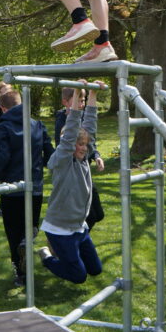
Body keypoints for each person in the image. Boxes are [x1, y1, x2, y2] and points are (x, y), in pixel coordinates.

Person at [0, 89, 54, 286]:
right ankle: (27, 243)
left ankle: (21, 273)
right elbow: (49, 153)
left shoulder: (2, 127)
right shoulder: (37, 125)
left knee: (12, 231)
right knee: (30, 226)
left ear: (2, 108)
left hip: (12, 188)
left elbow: (4, 156)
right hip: (35, 186)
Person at [39, 86, 103, 284]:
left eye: (85, 145)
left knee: (96, 270)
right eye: (79, 145)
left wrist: (93, 94)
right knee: (79, 276)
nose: (84, 148)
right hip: (60, 229)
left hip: (78, 227)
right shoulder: (63, 160)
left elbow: (90, 127)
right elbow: (71, 133)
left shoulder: (83, 159)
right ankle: (47, 257)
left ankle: (72, 259)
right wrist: (76, 95)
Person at [54, 87, 106, 229]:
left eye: (84, 100)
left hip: (84, 170)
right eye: (79, 100)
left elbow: (90, 135)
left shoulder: (83, 117)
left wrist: (96, 155)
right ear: (65, 102)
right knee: (88, 217)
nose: (82, 104)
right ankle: (59, 243)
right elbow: (68, 138)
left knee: (97, 215)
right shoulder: (63, 121)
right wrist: (77, 92)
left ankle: (71, 241)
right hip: (72, 172)